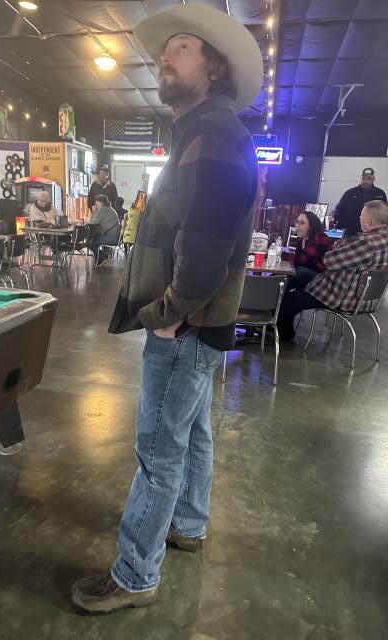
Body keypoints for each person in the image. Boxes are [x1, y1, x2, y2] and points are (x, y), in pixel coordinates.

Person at [70, 3, 262, 615]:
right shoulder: (207, 132)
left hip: (185, 325)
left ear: (214, 69)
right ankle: (189, 524)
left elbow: (206, 247)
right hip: (198, 326)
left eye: (182, 48)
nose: (165, 57)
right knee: (192, 433)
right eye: (166, 49)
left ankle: (135, 574)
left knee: (158, 451)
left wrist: (169, 313)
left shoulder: (214, 135)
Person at [277, 199, 388, 341]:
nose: (359, 218)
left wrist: (341, 244)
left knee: (287, 301)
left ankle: (282, 335)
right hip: (366, 300)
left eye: (361, 216)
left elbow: (329, 261)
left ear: (368, 221)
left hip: (341, 297)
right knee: (296, 280)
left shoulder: (366, 242)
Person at [334, 167, 387, 237]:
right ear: (360, 179)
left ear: (373, 180)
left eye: (369, 179)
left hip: (373, 233)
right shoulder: (350, 193)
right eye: (363, 179)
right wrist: (340, 225)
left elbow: (384, 211)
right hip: (351, 232)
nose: (365, 181)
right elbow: (340, 209)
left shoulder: (380, 193)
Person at [289, 210, 333, 289]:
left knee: (298, 272)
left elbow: (301, 260)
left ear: (311, 226)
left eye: (302, 223)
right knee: (285, 273)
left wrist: (281, 255)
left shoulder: (320, 238)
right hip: (308, 272)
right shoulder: (301, 239)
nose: (297, 225)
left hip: (322, 278)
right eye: (297, 222)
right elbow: (296, 260)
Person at [89, 194, 121, 266]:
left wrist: (94, 211)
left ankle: (103, 257)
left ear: (100, 202)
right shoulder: (109, 208)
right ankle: (99, 260)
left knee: (90, 242)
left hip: (111, 237)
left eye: (96, 201)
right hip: (115, 237)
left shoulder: (103, 209)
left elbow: (92, 222)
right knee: (93, 239)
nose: (95, 203)